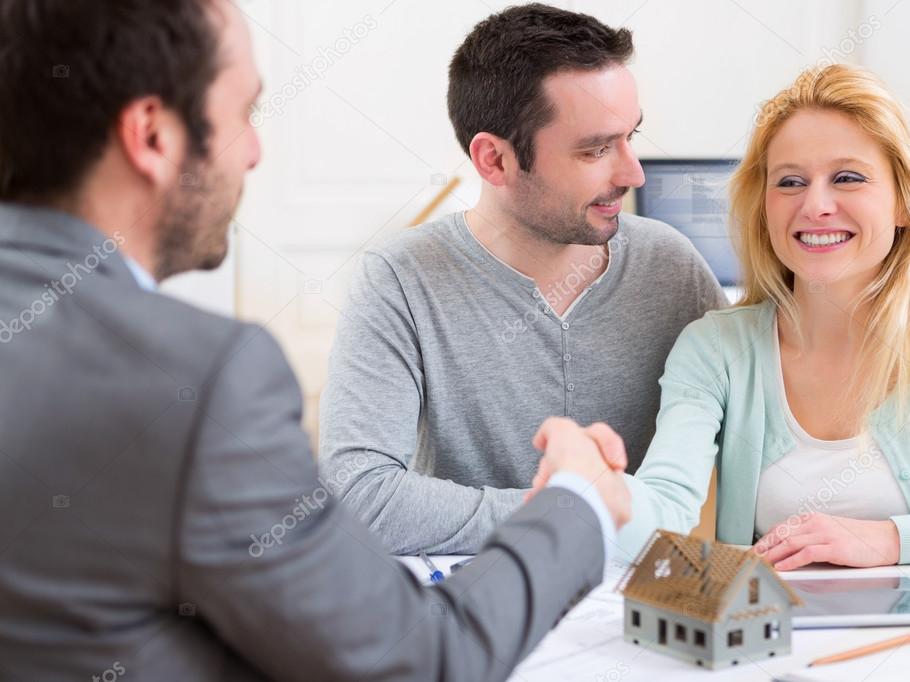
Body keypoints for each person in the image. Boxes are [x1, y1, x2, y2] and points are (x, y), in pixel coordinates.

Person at [0, 1, 630, 679]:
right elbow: (419, 660)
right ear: (152, 136)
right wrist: (575, 501)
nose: (255, 150)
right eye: (244, 113)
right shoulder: (203, 382)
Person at [319, 3, 910, 555]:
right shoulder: (398, 281)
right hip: (479, 596)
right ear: (493, 160)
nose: (632, 173)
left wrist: (903, 270)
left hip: (640, 604)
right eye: (594, 149)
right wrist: (569, 512)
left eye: (629, 136)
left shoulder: (667, 265)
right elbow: (362, 496)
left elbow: (761, 348)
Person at [617, 64, 910, 570]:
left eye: (848, 177)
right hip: (774, 637)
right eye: (790, 181)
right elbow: (664, 511)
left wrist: (892, 541)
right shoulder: (715, 349)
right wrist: (595, 489)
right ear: (764, 207)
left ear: (903, 204)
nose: (815, 205)